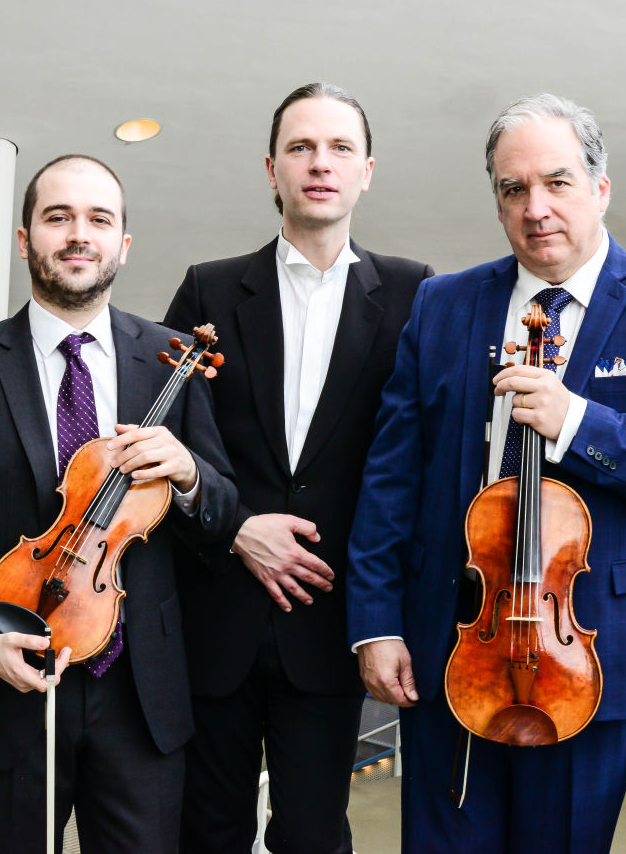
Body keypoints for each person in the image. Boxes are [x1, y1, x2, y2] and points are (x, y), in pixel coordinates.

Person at [345, 93, 626, 854]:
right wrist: (377, 621)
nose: (536, 208)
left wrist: (579, 422)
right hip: (450, 644)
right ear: (497, 202)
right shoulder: (442, 304)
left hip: (591, 657)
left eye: (557, 182)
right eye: (513, 189)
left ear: (600, 187)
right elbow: (391, 476)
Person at [0, 154, 237, 854]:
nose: (78, 234)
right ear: (25, 238)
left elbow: (225, 515)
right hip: (10, 679)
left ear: (122, 244)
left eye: (98, 219)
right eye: (58, 217)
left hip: (141, 695)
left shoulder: (173, 360)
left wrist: (190, 473)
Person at [164, 82, 432, 854]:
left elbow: (431, 455)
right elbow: (174, 446)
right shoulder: (209, 288)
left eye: (340, 147)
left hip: (332, 622)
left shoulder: (416, 293)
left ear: (367, 170)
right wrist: (237, 529)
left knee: (315, 837)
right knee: (205, 832)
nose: (321, 163)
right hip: (216, 610)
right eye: (301, 147)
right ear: (272, 168)